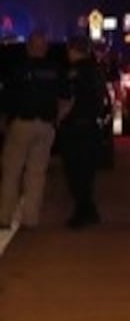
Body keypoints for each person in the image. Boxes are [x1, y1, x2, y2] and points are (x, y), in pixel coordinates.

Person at [0, 30, 71, 230]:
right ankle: (30, 219)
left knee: (11, 172)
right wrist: (56, 119)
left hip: (21, 124)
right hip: (45, 126)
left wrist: (5, 122)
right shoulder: (55, 70)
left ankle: (4, 217)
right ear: (45, 48)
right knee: (36, 174)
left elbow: (6, 98)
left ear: (28, 47)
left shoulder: (18, 69)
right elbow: (67, 99)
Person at [60, 35, 108, 228]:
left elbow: (68, 99)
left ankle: (83, 211)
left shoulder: (75, 72)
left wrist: (60, 117)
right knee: (86, 173)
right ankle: (88, 210)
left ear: (73, 50)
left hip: (76, 127)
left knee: (75, 173)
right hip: (91, 126)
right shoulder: (96, 69)